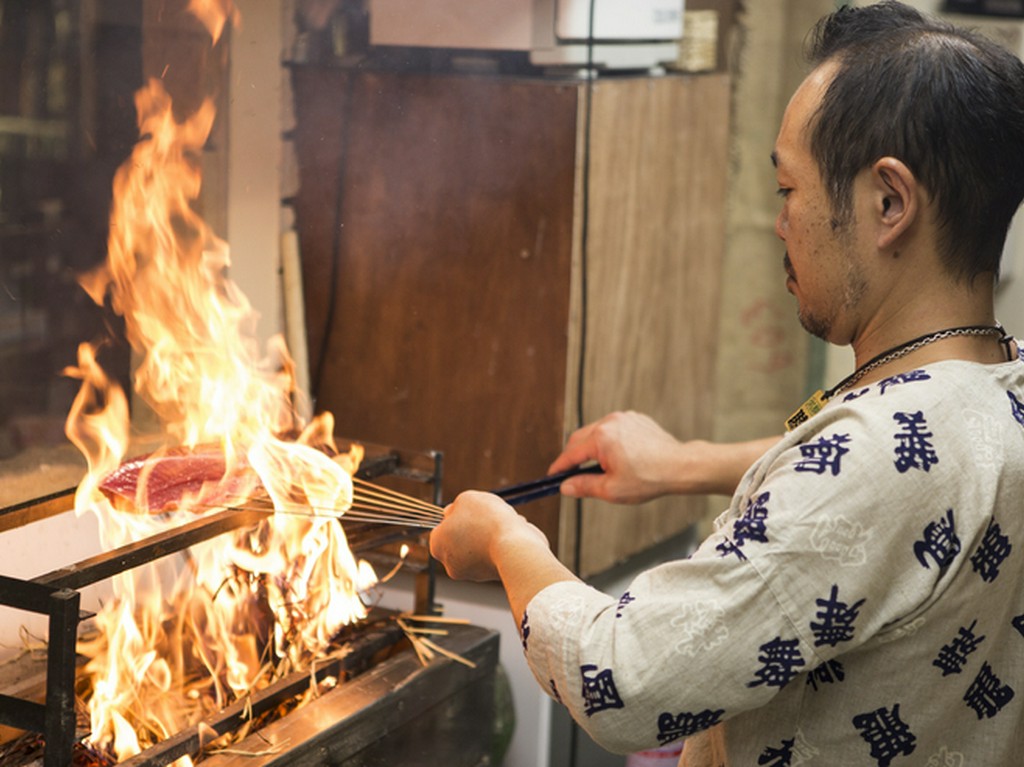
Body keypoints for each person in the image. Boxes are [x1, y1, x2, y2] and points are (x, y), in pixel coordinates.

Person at [429, 2, 1024, 764]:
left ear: (889, 202)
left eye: (788, 191)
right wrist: (685, 463)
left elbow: (625, 677)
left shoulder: (873, 463)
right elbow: (895, 476)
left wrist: (508, 541)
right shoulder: (993, 383)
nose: (781, 223)